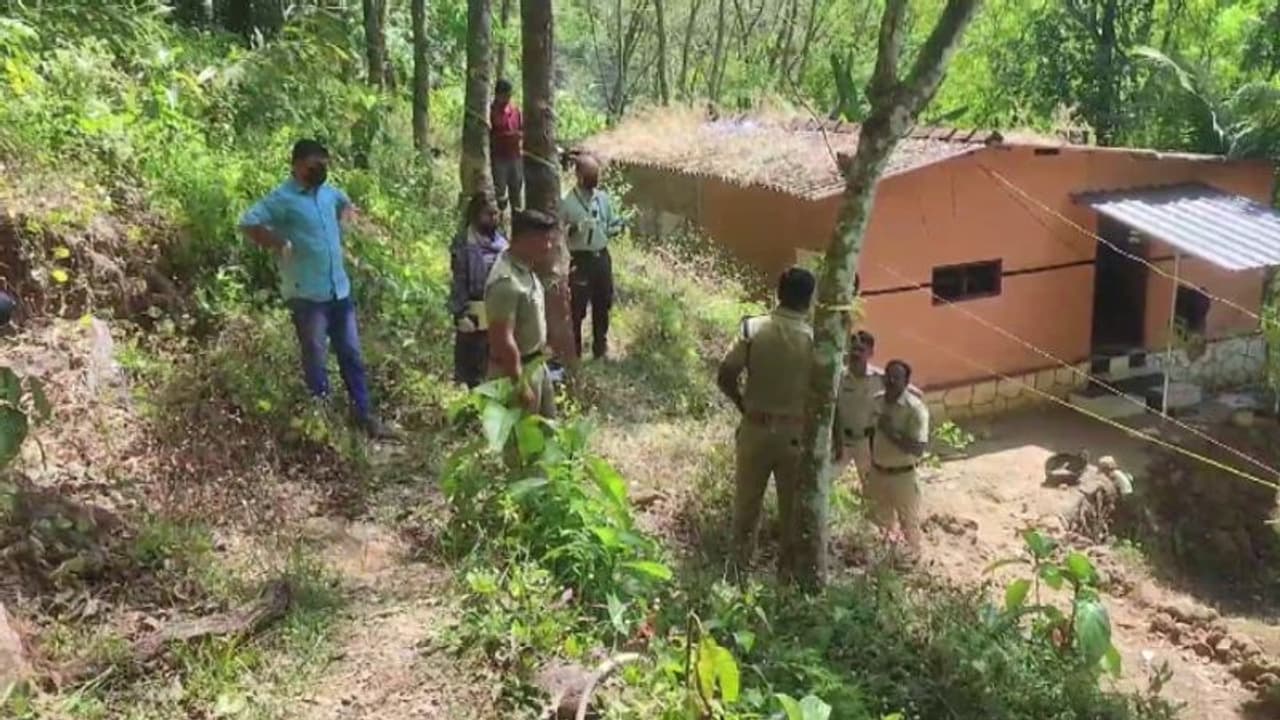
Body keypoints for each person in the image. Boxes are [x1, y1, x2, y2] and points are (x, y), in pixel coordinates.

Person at [239, 139, 396, 439]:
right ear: (298, 165)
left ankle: (363, 415)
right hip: (307, 295)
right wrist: (278, 242)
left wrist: (347, 218)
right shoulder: (283, 198)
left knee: (351, 354)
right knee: (315, 357)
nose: (321, 170)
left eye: (324, 165)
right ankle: (322, 423)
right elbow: (248, 222)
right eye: (315, 165)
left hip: (339, 290)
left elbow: (344, 203)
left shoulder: (328, 193)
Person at [716, 267, 816, 572]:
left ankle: (737, 571)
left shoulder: (753, 329)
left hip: (756, 428)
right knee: (792, 514)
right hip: (795, 435)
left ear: (778, 293)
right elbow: (828, 396)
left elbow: (725, 375)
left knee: (746, 507)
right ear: (809, 299)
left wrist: (743, 405)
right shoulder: (815, 341)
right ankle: (787, 577)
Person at [486, 209, 559, 418]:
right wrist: (519, 384)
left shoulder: (525, 268)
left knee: (546, 432)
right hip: (515, 373)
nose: (549, 246)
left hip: (536, 366)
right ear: (526, 239)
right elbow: (502, 339)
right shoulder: (506, 282)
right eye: (544, 240)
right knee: (522, 435)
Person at [561, 153, 623, 360]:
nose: (593, 181)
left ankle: (600, 348)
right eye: (589, 176)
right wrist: (574, 229)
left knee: (603, 303)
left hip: (602, 257)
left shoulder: (602, 198)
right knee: (577, 308)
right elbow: (559, 233)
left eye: (596, 176)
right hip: (581, 260)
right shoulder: (567, 202)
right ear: (579, 176)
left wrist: (616, 228)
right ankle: (575, 352)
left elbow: (612, 222)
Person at [867, 359, 930, 560]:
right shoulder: (876, 401)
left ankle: (914, 561)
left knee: (909, 523)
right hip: (878, 472)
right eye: (888, 376)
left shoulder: (915, 409)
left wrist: (891, 432)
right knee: (879, 523)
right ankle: (886, 561)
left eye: (897, 377)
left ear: (906, 382)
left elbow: (918, 448)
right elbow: (871, 433)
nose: (891, 381)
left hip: (903, 477)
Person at [450, 193, 508, 388]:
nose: (493, 218)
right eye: (488, 214)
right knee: (475, 374)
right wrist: (460, 315)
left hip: (501, 313)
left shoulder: (502, 242)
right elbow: (459, 281)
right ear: (476, 215)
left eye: (496, 214)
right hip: (476, 315)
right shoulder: (465, 244)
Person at [833, 330, 882, 486]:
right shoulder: (837, 378)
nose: (855, 354)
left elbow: (913, 393)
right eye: (852, 349)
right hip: (842, 441)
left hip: (867, 443)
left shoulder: (880, 379)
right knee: (825, 481)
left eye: (861, 350)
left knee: (872, 488)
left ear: (870, 353)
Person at [490, 78, 524, 213]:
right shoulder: (491, 111)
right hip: (499, 158)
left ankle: (518, 220)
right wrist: (507, 136)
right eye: (505, 96)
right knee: (499, 194)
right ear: (498, 95)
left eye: (509, 95)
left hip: (515, 157)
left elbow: (522, 129)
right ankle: (499, 219)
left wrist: (519, 136)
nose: (507, 99)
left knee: (516, 193)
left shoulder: (515, 111)